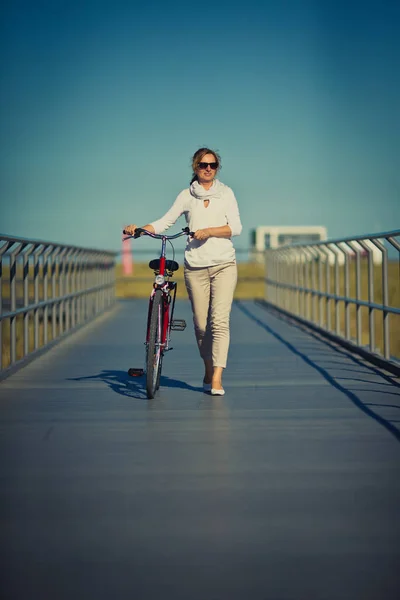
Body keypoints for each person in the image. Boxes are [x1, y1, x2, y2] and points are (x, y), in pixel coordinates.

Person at [123, 147, 242, 396]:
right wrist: (140, 229)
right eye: (203, 165)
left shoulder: (226, 194)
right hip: (195, 266)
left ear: (217, 167)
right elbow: (165, 221)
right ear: (195, 167)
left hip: (223, 264)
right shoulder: (186, 195)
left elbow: (236, 228)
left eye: (212, 165)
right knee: (201, 325)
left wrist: (209, 231)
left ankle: (217, 378)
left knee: (219, 322)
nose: (208, 169)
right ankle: (208, 367)